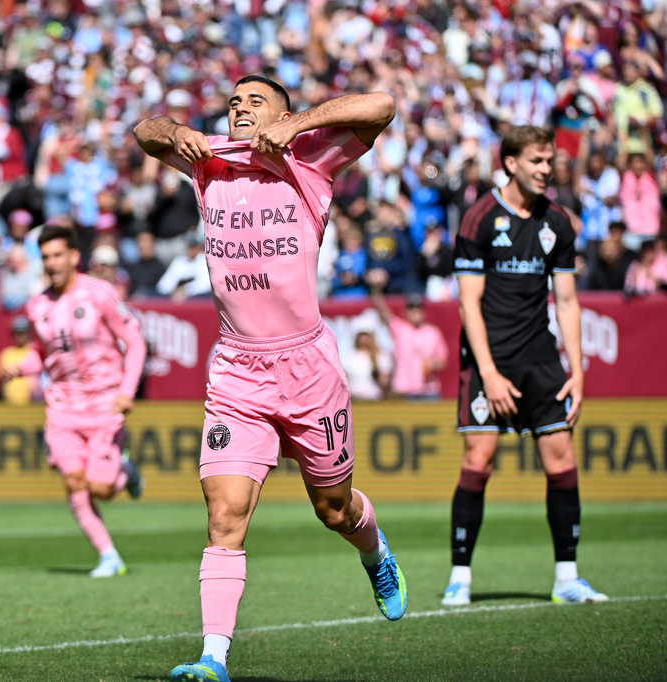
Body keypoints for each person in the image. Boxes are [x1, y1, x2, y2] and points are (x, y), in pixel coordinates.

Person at [134, 75, 406, 682]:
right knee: (225, 514)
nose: (239, 108)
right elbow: (144, 132)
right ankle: (213, 658)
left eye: (255, 102)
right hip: (237, 368)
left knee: (333, 509)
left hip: (307, 368)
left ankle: (375, 550)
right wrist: (176, 131)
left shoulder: (311, 157)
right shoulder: (209, 160)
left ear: (279, 114)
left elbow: (382, 105)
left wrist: (298, 123)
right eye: (233, 101)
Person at [444, 124, 607, 608]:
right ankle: (460, 578)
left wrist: (577, 370)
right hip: (487, 359)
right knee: (479, 460)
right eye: (537, 161)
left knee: (562, 461)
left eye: (549, 161)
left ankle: (567, 579)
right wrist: (490, 373)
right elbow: (468, 306)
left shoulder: (558, 221)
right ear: (511, 163)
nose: (546, 169)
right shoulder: (478, 218)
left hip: (540, 358)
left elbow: (569, 301)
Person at [0, 225, 146, 578]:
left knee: (100, 488)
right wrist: (20, 368)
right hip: (62, 407)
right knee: (74, 483)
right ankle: (108, 555)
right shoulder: (37, 306)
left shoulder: (99, 294)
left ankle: (124, 471)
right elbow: (43, 354)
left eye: (57, 255)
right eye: (46, 257)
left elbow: (135, 341)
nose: (51, 263)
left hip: (104, 403)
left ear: (74, 257)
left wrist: (127, 390)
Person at [372, 292, 449, 400]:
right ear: (406, 312)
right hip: (404, 389)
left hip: (428, 390)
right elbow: (383, 312)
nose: (416, 312)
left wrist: (434, 364)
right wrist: (376, 289)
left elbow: (443, 361)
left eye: (419, 309)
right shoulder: (400, 328)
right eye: (412, 309)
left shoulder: (433, 332)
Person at [0, 316, 37, 406]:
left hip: (33, 403)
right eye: (17, 333)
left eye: (23, 333)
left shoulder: (35, 351)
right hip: (9, 404)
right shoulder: (6, 353)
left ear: (28, 333)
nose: (20, 336)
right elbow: (0, 374)